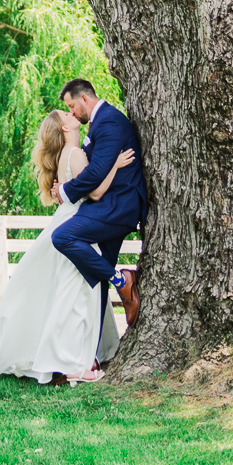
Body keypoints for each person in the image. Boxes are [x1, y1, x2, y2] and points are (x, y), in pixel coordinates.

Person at [0, 108, 134, 385]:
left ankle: (77, 356)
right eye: (65, 115)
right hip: (76, 222)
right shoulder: (75, 154)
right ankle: (73, 360)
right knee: (75, 294)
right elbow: (96, 192)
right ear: (65, 129)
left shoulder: (70, 154)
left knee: (71, 292)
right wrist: (114, 164)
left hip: (67, 218)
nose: (71, 114)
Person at [51, 78, 147, 335]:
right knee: (95, 283)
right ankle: (90, 352)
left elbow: (95, 173)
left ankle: (122, 280)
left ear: (84, 99)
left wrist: (64, 191)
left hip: (118, 207)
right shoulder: (99, 123)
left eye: (71, 106)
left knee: (62, 236)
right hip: (106, 205)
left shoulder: (109, 122)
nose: (71, 113)